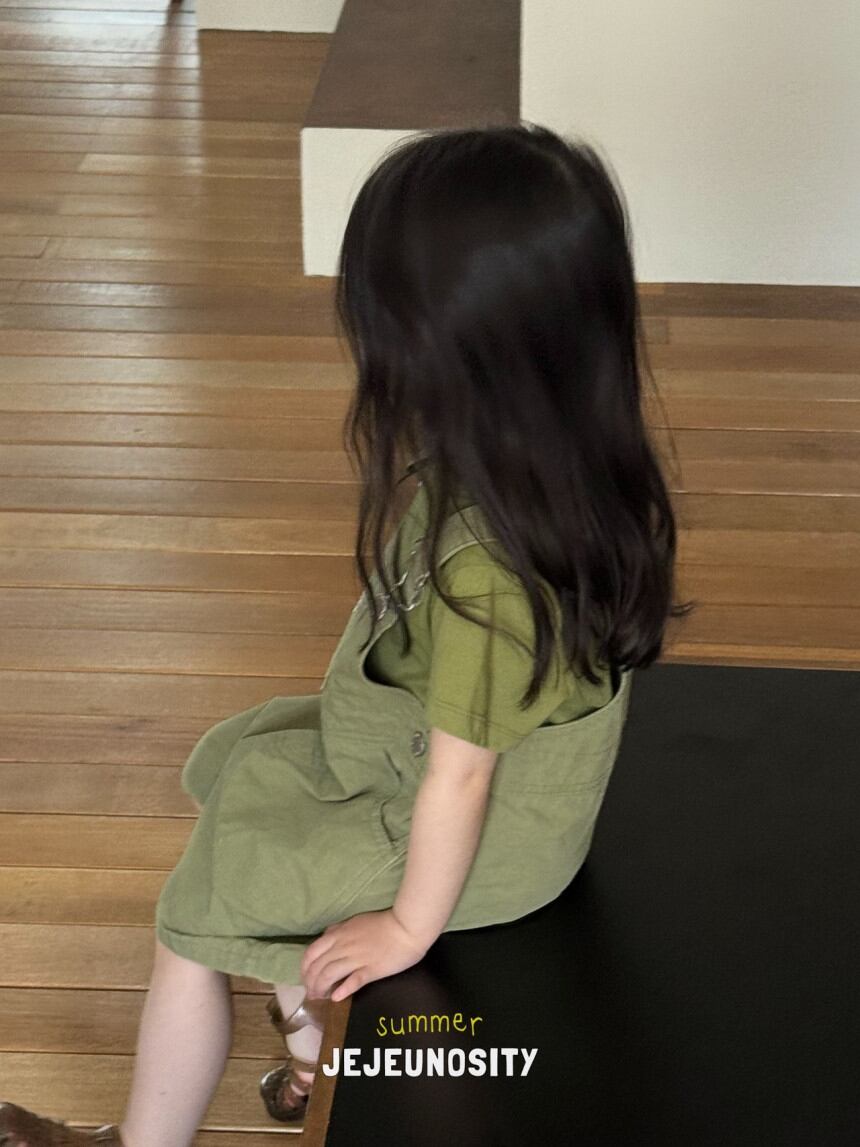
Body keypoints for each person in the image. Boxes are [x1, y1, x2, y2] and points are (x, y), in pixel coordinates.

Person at [0, 122, 692, 1146]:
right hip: (412, 760)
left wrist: (407, 925)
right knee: (241, 774)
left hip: (466, 832)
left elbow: (461, 779)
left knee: (191, 919)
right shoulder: (546, 459)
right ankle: (316, 1050)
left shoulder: (495, 573)